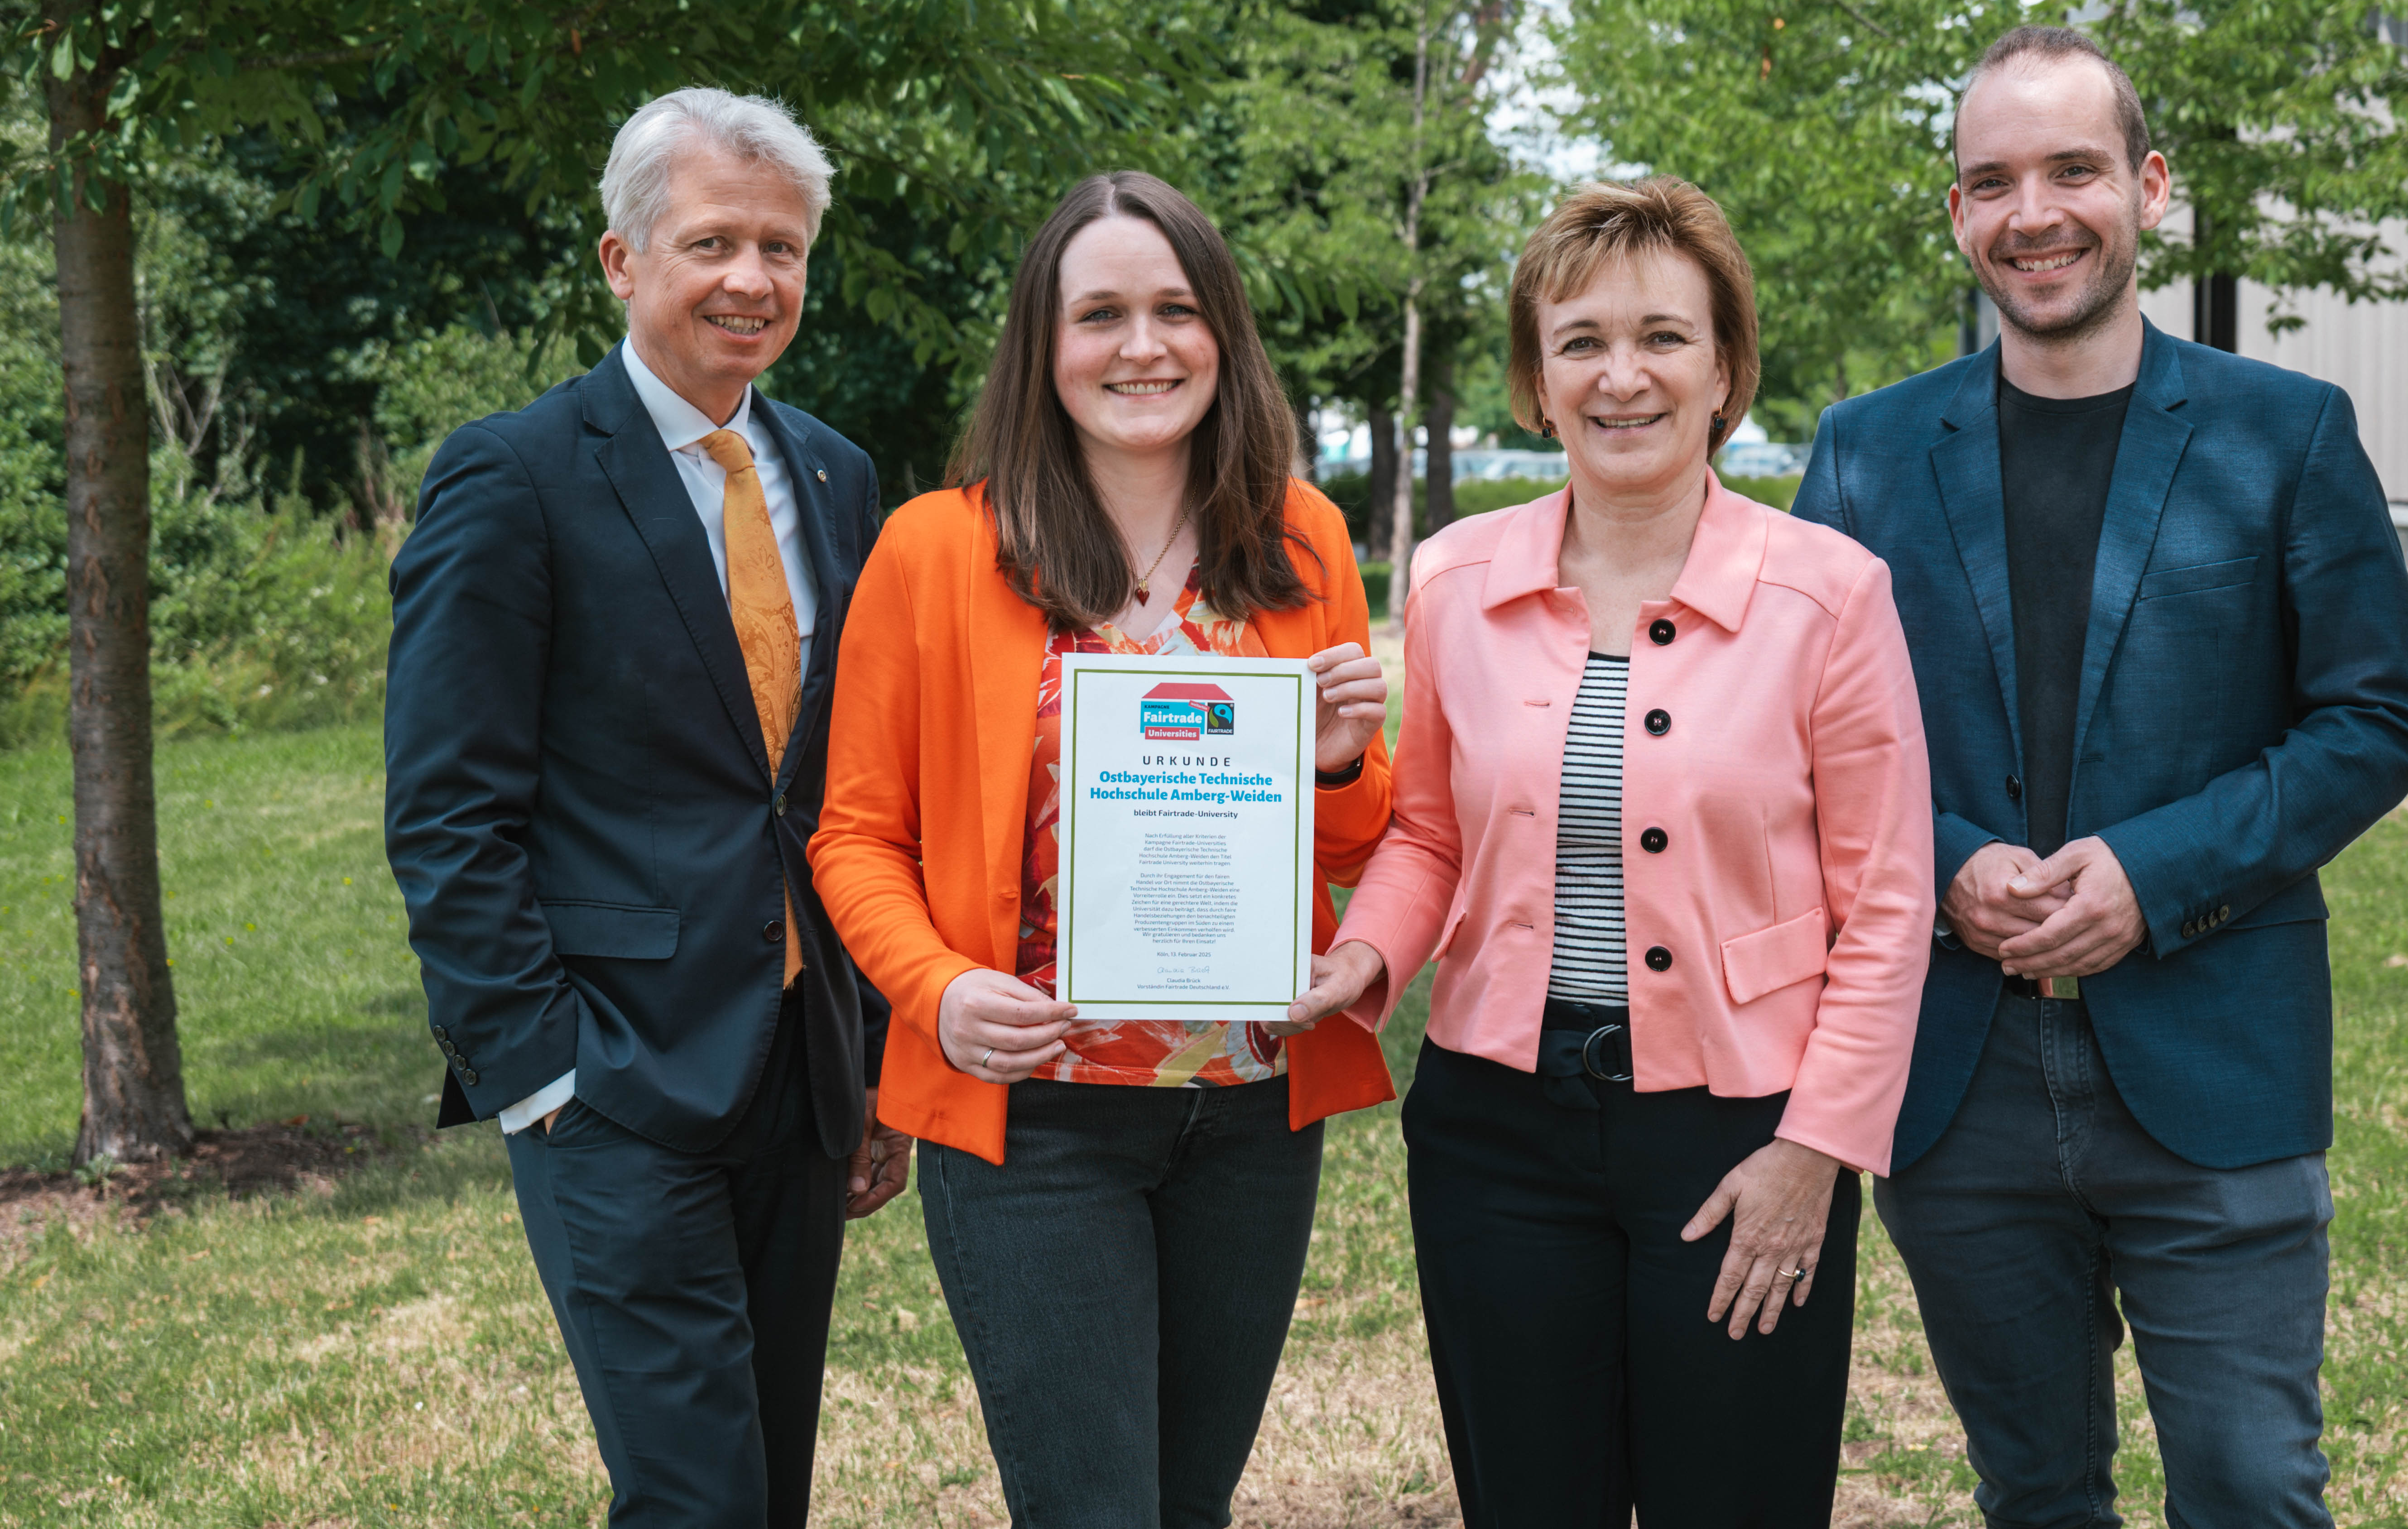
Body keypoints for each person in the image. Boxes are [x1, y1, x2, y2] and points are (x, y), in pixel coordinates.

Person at [1793, 24, 2408, 1526]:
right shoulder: (1865, 455)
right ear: (1957, 212)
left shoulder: (2287, 433)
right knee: (2033, 1493)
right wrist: (1946, 860)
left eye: (2073, 170)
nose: (2035, 213)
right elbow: (1797, 739)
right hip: (1957, 1083)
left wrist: (2155, 875)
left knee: (2253, 1489)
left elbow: (2377, 717)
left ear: (2149, 188)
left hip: (2216, 1058)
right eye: (1993, 181)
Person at [1291, 177, 1935, 1528]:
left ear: (1725, 369)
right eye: (1580, 341)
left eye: (1663, 337)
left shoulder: (1830, 594)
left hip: (1742, 1132)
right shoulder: (1454, 581)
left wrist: (1816, 1150)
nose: (1621, 375)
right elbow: (1432, 832)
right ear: (1538, 381)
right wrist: (1361, 957)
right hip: (1496, 1132)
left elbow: (1886, 904)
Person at [807, 170, 1396, 1529]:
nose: (1144, 346)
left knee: (1189, 1506)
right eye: (1102, 315)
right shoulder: (937, 549)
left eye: (1177, 310)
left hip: (1250, 1115)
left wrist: (1335, 761)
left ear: (1223, 331)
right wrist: (938, 990)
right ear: (1044, 340)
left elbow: (1355, 841)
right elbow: (856, 835)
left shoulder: (1299, 537)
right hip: (1035, 1114)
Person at [386, 87, 907, 1527]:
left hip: (802, 1077)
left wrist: (869, 1055)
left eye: (783, 248)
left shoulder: (835, 474)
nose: (754, 278)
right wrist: (540, 1070)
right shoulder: (513, 475)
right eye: (713, 241)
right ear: (623, 261)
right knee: (696, 1498)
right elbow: (446, 810)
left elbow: (843, 795)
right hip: (611, 1080)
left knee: (768, 1488)